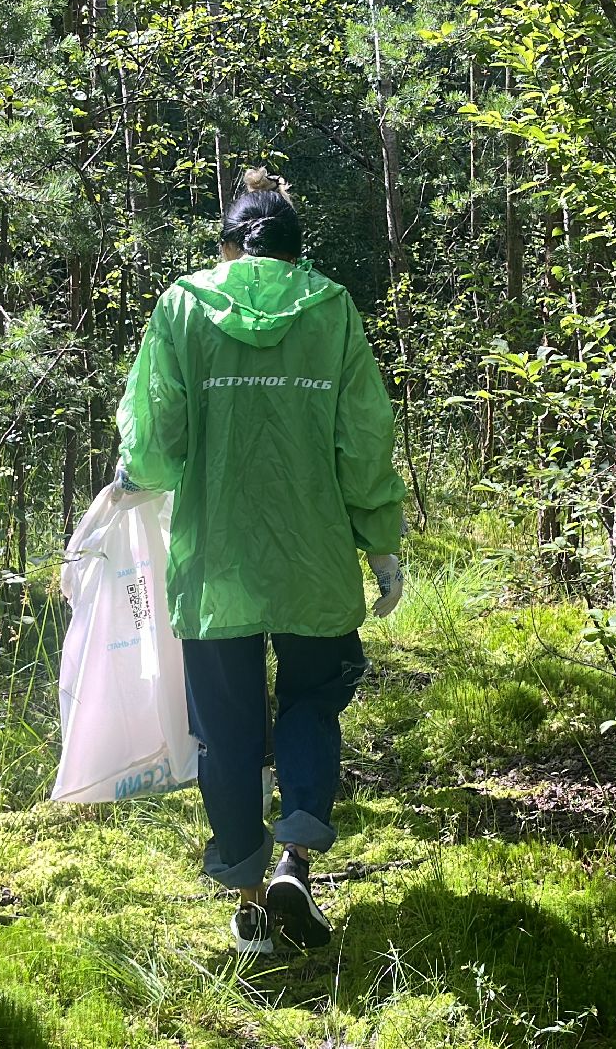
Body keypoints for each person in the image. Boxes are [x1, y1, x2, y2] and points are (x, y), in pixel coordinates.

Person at [115, 167, 407, 956]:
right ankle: (296, 856)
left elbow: (157, 434)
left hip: (216, 565)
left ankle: (248, 903)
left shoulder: (183, 307)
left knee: (228, 731)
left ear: (229, 243)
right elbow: (364, 439)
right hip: (314, 559)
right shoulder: (332, 308)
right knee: (313, 700)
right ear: (294, 249)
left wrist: (133, 474)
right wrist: (381, 542)